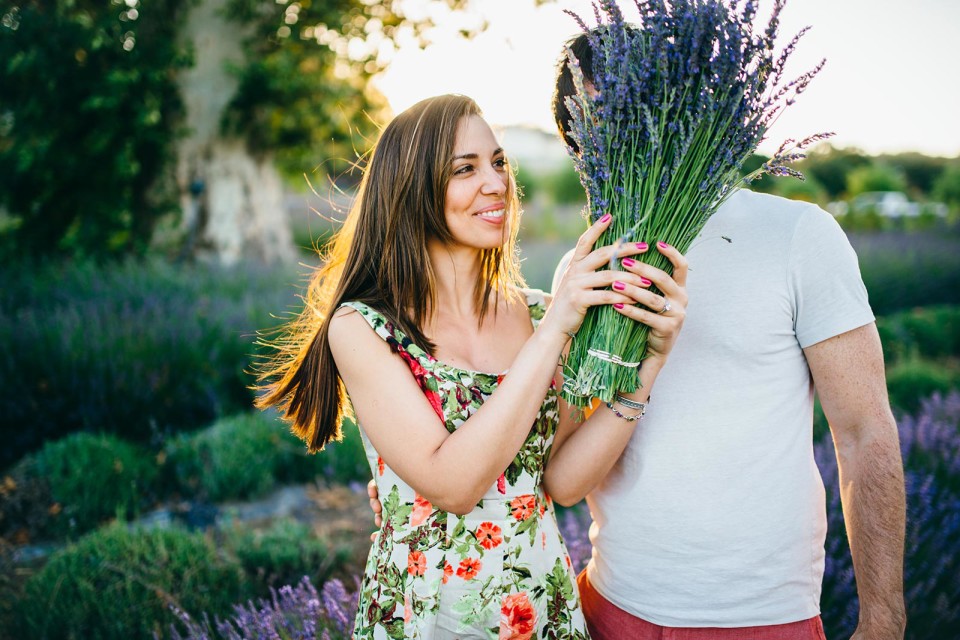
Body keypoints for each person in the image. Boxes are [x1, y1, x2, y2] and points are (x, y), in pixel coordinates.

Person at [372, 35, 907, 640]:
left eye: (640, 116)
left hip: (758, 616)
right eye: (599, 132)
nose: (629, 142)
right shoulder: (588, 270)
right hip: (608, 606)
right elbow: (564, 478)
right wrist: (404, 485)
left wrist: (883, 618)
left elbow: (865, 432)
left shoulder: (797, 235)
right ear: (581, 151)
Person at [256, 93, 689, 639]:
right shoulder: (364, 327)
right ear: (413, 188)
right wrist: (557, 331)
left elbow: (564, 480)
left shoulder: (535, 312)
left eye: (499, 162)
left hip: (540, 607)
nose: (497, 183)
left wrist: (650, 363)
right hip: (430, 615)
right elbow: (453, 484)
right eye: (466, 169)